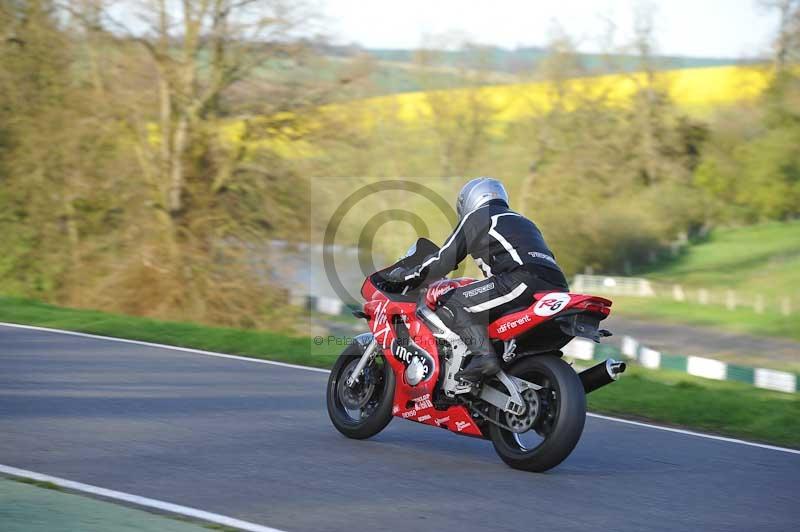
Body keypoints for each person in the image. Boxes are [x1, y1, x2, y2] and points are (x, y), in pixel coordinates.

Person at [386, 177, 568, 382]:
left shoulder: (479, 216)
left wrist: (408, 275)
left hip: (521, 280)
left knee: (449, 301)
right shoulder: (524, 222)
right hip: (558, 286)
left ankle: (484, 357)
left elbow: (443, 259)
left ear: (470, 200)